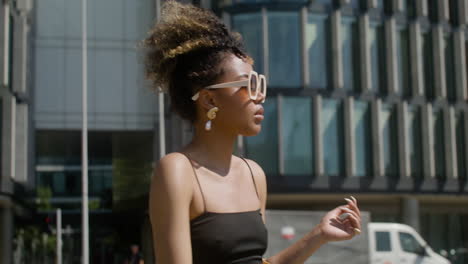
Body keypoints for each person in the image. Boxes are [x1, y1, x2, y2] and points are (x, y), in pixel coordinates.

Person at [143, 1, 362, 263]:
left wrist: (319, 234)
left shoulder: (253, 174)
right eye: (248, 85)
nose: (259, 96)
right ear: (209, 100)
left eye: (260, 84)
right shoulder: (177, 171)